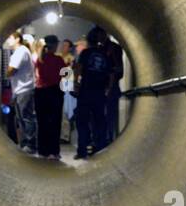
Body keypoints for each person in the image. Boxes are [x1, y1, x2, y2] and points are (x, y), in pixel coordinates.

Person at [73, 28, 113, 160]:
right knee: (99, 121)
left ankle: (82, 151)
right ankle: (100, 148)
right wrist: (108, 89)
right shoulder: (106, 54)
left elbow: (78, 69)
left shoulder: (86, 53)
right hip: (99, 92)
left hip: (86, 91)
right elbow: (111, 74)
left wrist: (76, 85)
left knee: (82, 122)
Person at [4, 29, 37, 154]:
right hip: (20, 90)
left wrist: (8, 72)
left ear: (17, 39)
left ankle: (31, 144)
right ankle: (25, 144)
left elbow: (11, 70)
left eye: (10, 38)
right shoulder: (20, 51)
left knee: (26, 118)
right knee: (21, 118)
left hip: (24, 90)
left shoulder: (20, 51)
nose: (8, 40)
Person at [33, 35, 66, 160]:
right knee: (55, 122)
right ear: (55, 44)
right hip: (54, 92)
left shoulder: (39, 59)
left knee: (42, 122)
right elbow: (66, 75)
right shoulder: (58, 59)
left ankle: (43, 150)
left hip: (40, 92)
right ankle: (54, 151)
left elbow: (38, 76)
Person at [103, 36, 124, 147]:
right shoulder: (102, 48)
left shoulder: (113, 48)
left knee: (109, 115)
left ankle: (108, 139)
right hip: (105, 88)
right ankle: (106, 139)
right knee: (106, 115)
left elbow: (119, 70)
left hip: (111, 88)